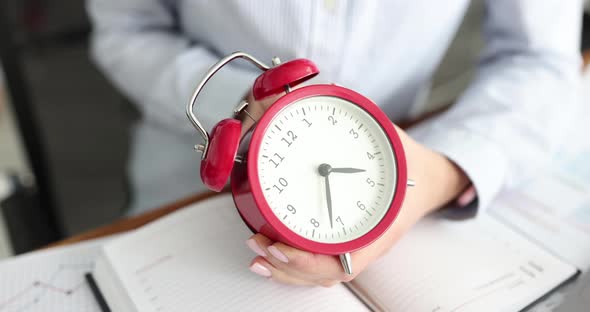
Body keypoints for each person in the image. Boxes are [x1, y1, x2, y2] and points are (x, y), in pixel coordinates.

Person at [87, 0, 583, 286]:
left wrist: (443, 171)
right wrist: (244, 101)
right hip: (185, 188)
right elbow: (127, 32)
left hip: (394, 170)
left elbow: (538, 58)